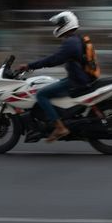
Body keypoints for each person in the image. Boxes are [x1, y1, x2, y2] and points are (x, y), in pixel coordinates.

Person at [17, 11, 91, 142]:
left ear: (67, 24)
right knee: (51, 85)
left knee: (41, 94)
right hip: (79, 78)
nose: (57, 27)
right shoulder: (76, 39)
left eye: (59, 24)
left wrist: (30, 66)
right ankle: (57, 118)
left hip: (76, 81)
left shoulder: (70, 43)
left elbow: (54, 60)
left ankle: (60, 127)